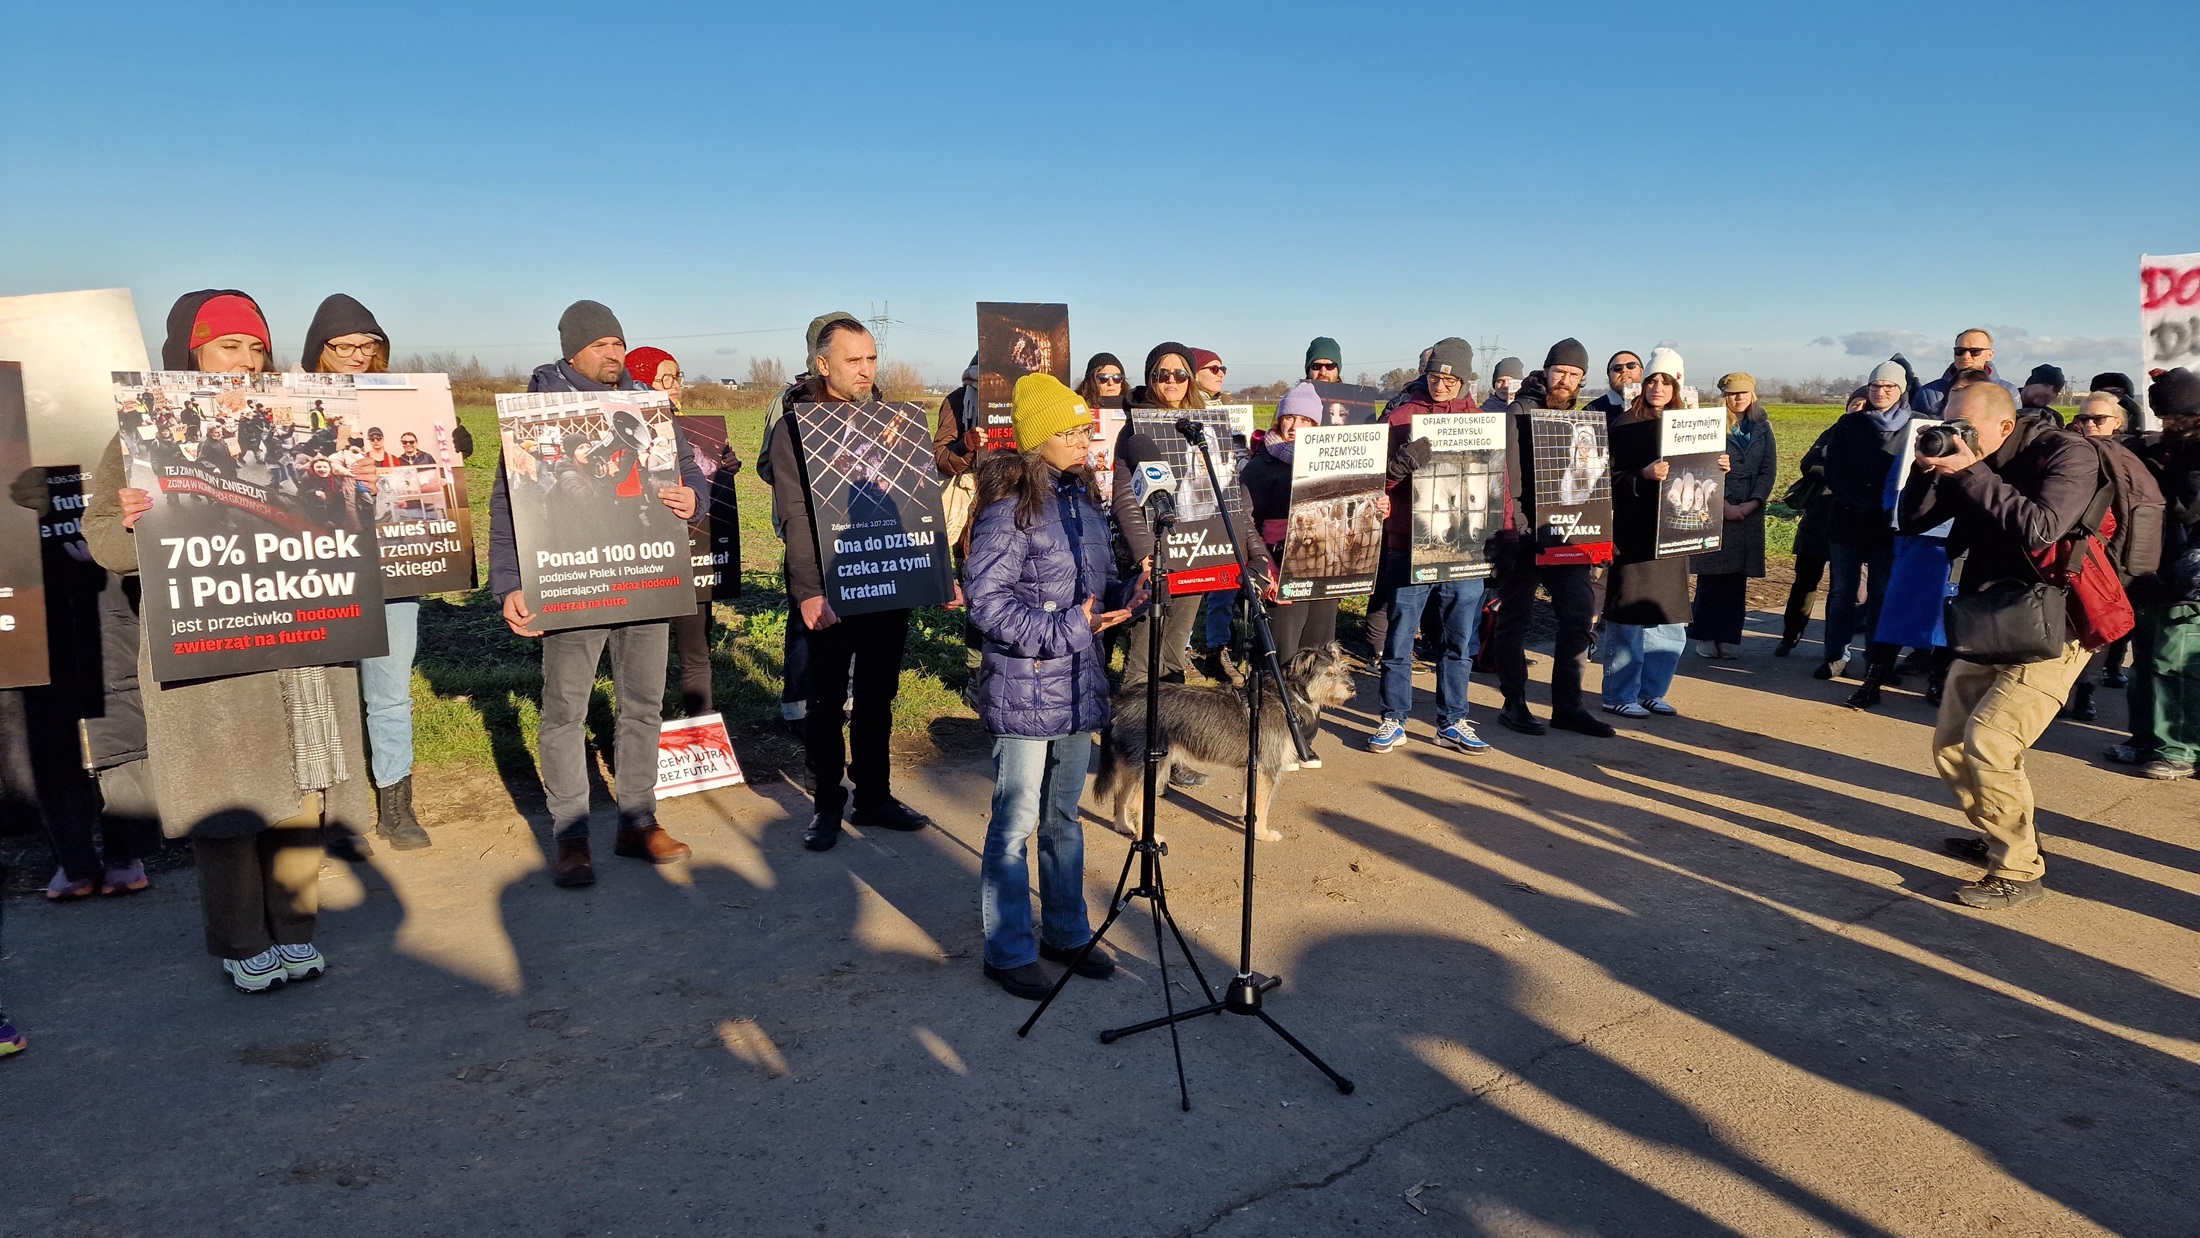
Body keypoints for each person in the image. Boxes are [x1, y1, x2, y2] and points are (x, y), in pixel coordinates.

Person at [89, 289, 373, 992]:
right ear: (191, 354)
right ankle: (242, 938)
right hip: (214, 646)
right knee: (233, 802)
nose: (245, 362)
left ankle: (297, 928)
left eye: (255, 348)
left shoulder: (302, 425)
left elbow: (347, 519)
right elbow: (103, 542)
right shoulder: (141, 435)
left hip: (304, 638)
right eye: (227, 347)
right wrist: (126, 524)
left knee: (304, 793)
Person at [491, 301, 699, 887]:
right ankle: (572, 834)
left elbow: (686, 467)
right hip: (573, 580)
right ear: (573, 350)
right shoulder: (537, 410)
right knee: (564, 710)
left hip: (644, 575)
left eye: (619, 343)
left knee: (643, 704)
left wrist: (693, 499)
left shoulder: (646, 406)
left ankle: (637, 820)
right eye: (602, 344)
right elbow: (509, 500)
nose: (614, 354)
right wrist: (509, 582)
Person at [1899, 382, 2100, 909]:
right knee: (1949, 742)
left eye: (1965, 427)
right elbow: (1914, 522)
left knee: (1990, 741)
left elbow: (2043, 528)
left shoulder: (2067, 454)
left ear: (2005, 427)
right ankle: (2001, 832)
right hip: (1992, 617)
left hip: (2059, 623)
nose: (1955, 435)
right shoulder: (1971, 460)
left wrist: (1970, 471)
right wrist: (1924, 471)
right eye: (1949, 424)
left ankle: (2019, 868)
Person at [965, 374, 1132, 999]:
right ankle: (1007, 949)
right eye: (1070, 429)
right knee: (1015, 821)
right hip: (1025, 684)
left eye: (1086, 427)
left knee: (1063, 816)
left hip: (1077, 682)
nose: (1085, 438)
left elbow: (1098, 584)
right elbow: (987, 603)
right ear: (1038, 439)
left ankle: (1066, 932)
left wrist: (1126, 598)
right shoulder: (1010, 510)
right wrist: (1067, 628)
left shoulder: (1086, 504)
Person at [768, 316, 942, 850]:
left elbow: (917, 495)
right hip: (829, 582)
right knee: (825, 701)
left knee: (877, 695)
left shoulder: (893, 419)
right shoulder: (795, 425)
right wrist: (809, 591)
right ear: (823, 364)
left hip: (888, 579)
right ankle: (825, 805)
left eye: (871, 359)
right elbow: (794, 512)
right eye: (854, 361)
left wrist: (932, 572)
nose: (866, 371)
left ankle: (874, 795)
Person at [299, 293, 433, 852]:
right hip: (321, 560)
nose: (356, 354)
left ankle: (396, 807)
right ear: (319, 349)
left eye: (367, 345)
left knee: (389, 689)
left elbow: (425, 463)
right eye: (343, 345)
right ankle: (336, 809)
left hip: (394, 564)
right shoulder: (297, 402)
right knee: (323, 691)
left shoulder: (403, 399)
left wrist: (443, 447)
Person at [1367, 339, 1495, 754]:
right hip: (1409, 543)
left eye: (1450, 379)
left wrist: (1502, 538)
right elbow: (1374, 484)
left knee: (1458, 642)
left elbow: (1498, 486)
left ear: (1464, 380)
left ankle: (1453, 720)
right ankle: (1393, 718)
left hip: (1465, 547)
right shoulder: (1402, 416)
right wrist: (1398, 469)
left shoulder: (1480, 421)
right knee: (1401, 636)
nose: (1440, 385)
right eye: (1435, 376)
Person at [1491, 338, 1614, 738]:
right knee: (1515, 620)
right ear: (1546, 370)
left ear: (1582, 380)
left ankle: (1568, 706)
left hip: (1568, 535)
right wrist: (1522, 530)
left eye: (1574, 374)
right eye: (1560, 371)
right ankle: (1514, 703)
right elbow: (1506, 477)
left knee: (1579, 617)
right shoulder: (1518, 412)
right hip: (1526, 537)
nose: (1565, 380)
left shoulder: (1581, 419)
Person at [1601, 350, 1720, 717]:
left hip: (1674, 536)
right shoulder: (1622, 424)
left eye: (1666, 382)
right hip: (1634, 535)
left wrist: (1719, 466)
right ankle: (1620, 694)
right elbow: (1603, 479)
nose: (1657, 387)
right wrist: (1642, 475)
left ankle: (1652, 690)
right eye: (1652, 380)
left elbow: (1701, 479)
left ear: (1677, 386)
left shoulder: (1690, 424)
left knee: (1669, 620)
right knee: (1628, 620)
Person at [758, 312, 856, 739]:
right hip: (808, 529)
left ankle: (846, 698)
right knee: (806, 617)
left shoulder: (870, 401)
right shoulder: (786, 400)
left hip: (857, 531)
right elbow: (768, 464)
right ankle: (797, 704)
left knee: (854, 614)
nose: (862, 369)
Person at [626, 344, 729, 719]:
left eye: (677, 375)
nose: (675, 385)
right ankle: (642, 728)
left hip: (691, 551)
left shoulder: (693, 430)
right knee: (639, 654)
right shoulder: (624, 434)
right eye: (664, 377)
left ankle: (700, 726)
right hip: (641, 555)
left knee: (696, 648)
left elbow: (701, 487)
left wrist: (722, 467)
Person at [2106, 373, 2200, 777]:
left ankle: (2179, 747)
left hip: (2188, 576)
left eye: (2174, 418)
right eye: (2162, 418)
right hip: (2152, 569)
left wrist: (2159, 467)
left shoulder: (2191, 457)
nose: (2167, 426)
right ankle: (2144, 738)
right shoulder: (2171, 449)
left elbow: (2188, 508)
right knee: (2143, 661)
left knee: (2174, 663)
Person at [1817, 360, 1913, 682]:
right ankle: (1835, 656)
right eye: (1875, 386)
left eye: (1889, 387)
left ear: (1901, 390)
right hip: (1847, 520)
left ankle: (1878, 661)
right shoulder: (1848, 424)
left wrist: (1889, 508)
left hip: (1889, 526)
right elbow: (1834, 470)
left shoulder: (1914, 428)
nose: (1881, 392)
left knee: (1882, 594)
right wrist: (1858, 502)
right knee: (1842, 592)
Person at [1240, 384, 1340, 665]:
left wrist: (1376, 505)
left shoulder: (1332, 463)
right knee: (1281, 656)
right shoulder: (1259, 466)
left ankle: (1311, 711)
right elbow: (1244, 522)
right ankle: (1274, 709)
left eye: (1306, 420)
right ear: (1279, 419)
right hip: (1280, 568)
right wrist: (1266, 569)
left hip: (1324, 569)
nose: (1296, 426)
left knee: (1319, 658)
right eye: (1289, 417)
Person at [1689, 373, 1776, 657]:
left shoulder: (1763, 426)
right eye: (1733, 394)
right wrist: (1723, 505)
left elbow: (1768, 469)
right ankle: (1704, 637)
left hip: (1748, 514)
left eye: (1744, 393)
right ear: (1723, 396)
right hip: (1716, 509)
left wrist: (1753, 503)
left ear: (1753, 395)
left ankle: (1727, 637)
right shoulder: (1709, 425)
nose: (1738, 398)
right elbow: (1700, 466)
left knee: (1737, 580)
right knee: (1712, 577)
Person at [1913, 328, 2018, 416]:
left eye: (1975, 351)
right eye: (1960, 351)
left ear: (1990, 355)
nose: (1966, 356)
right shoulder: (1928, 392)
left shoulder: (2009, 391)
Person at [1585, 351, 1642, 419]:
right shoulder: (1593, 410)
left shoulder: (1655, 402)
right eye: (1617, 368)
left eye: (1631, 365)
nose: (1624, 370)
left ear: (1642, 371)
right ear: (1609, 376)